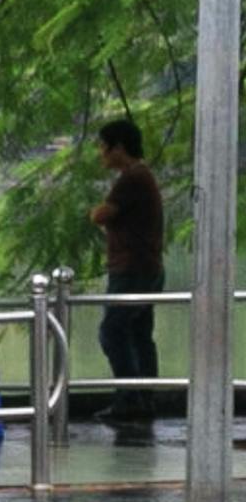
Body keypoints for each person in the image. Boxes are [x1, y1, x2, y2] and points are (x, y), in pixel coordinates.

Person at [89, 116, 167, 427]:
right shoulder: (140, 176)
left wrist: (94, 212)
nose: (101, 153)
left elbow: (101, 214)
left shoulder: (132, 179)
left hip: (132, 270)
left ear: (118, 147)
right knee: (139, 334)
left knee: (113, 332)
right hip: (147, 267)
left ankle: (130, 398)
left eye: (103, 147)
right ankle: (144, 398)